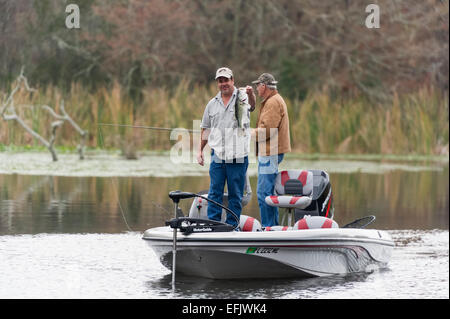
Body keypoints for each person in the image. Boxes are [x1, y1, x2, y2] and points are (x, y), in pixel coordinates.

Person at [197, 67, 255, 227]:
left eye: (226, 80)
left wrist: (250, 94)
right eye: (220, 81)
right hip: (218, 156)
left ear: (233, 80)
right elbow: (206, 129)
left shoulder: (243, 97)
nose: (223, 83)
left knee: (235, 194)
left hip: (238, 156)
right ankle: (213, 225)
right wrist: (200, 150)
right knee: (214, 192)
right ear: (218, 83)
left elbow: (252, 106)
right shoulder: (211, 104)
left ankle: (232, 226)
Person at [249, 73, 291, 227]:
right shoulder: (273, 100)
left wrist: (246, 134)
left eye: (257, 85)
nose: (256, 88)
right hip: (270, 152)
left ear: (263, 86)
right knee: (267, 194)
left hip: (270, 153)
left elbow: (267, 131)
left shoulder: (273, 102)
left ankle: (269, 228)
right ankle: (272, 227)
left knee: (264, 194)